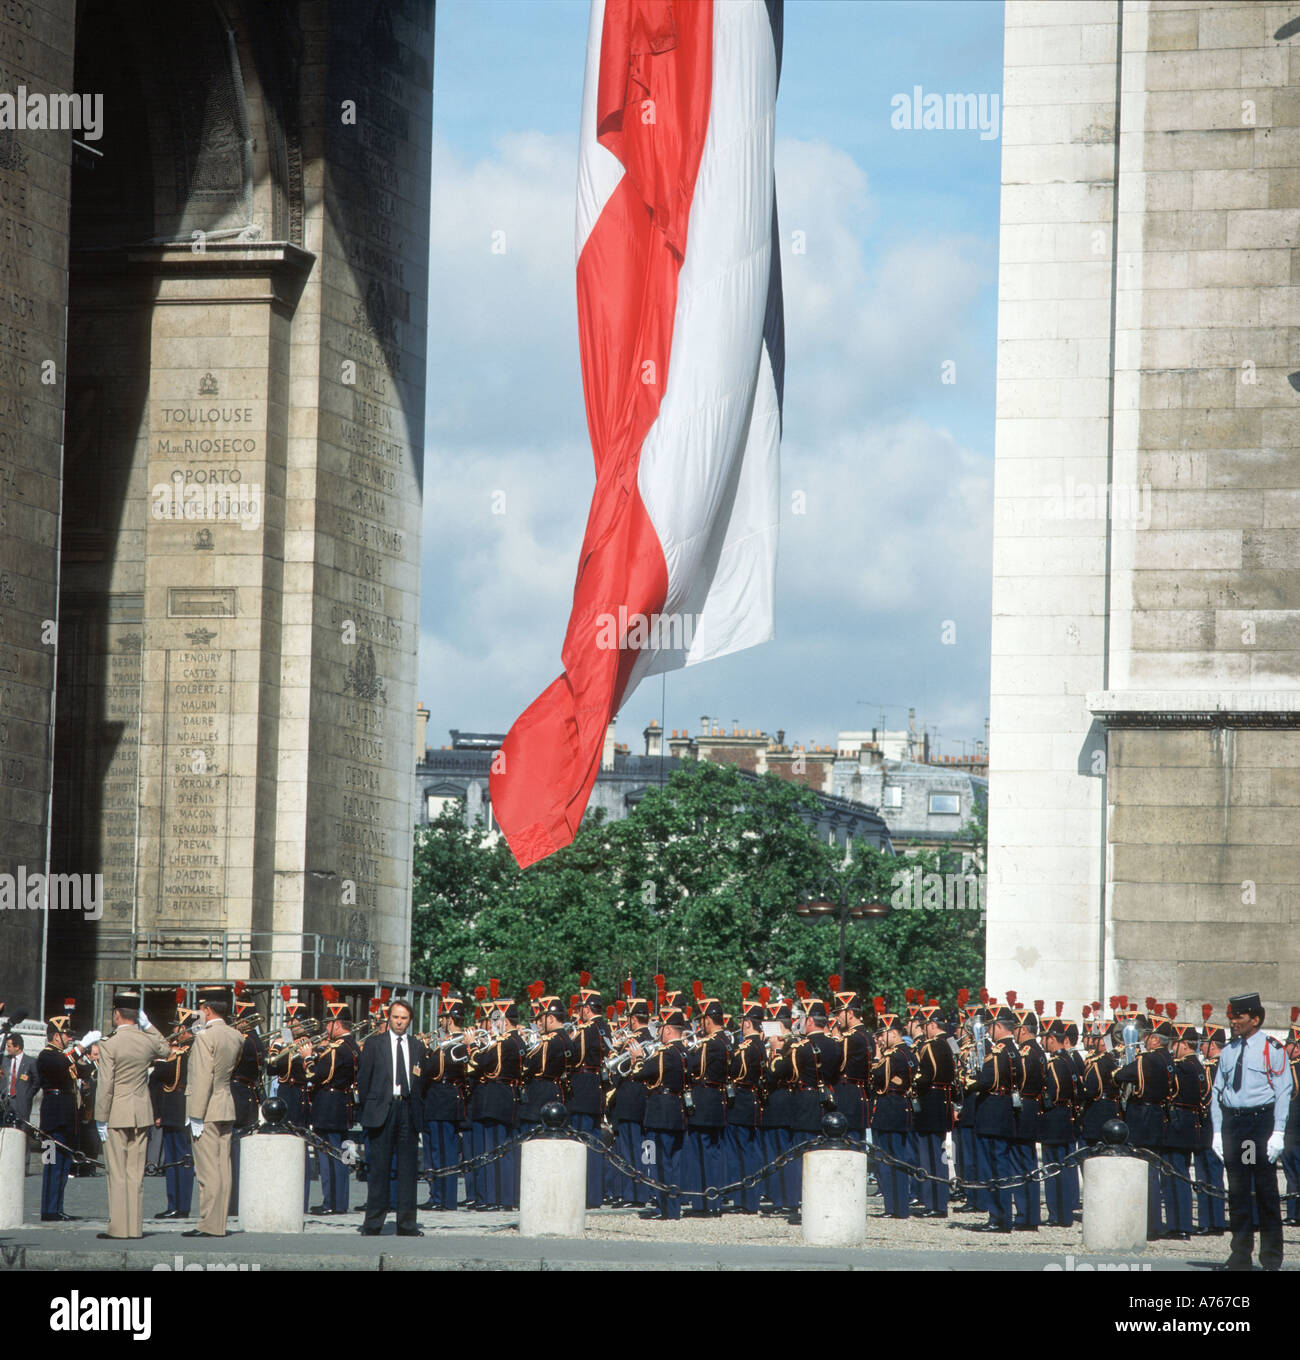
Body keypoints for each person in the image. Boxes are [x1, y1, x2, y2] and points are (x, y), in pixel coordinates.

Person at [1209, 991, 1291, 1272]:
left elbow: (1283, 1092)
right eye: (1232, 1016)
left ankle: (1270, 1258)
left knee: (1266, 1190)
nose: (1233, 1021)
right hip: (1236, 1125)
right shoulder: (1229, 1051)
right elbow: (1217, 1093)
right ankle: (1240, 1255)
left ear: (1255, 1019)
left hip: (1260, 1124)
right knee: (1239, 1190)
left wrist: (1278, 1131)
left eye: (1239, 1016)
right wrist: (1218, 1132)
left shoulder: (1272, 1048)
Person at [95, 990, 170, 1239]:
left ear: (117, 1014)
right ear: (136, 1014)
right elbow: (166, 1049)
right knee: (135, 1174)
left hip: (117, 1111)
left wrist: (100, 1117)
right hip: (141, 1111)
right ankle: (135, 1228)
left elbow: (106, 1085)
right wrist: (148, 1026)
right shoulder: (146, 1040)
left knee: (116, 1172)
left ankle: (119, 1228)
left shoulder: (110, 1043)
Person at [356, 996, 426, 1236]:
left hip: (407, 1109)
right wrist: (369, 1108)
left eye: (404, 1018)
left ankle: (407, 1224)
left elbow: (421, 1082)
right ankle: (373, 1223)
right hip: (382, 1110)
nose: (399, 1022)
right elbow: (363, 1080)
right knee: (379, 1168)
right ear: (389, 1018)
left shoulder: (417, 1046)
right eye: (395, 1017)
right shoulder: (375, 1044)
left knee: (408, 1169)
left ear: (410, 1021)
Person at [184, 985, 243, 1237]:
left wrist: (195, 1114)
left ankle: (208, 1223)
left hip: (207, 1106)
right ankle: (219, 1223)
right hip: (225, 1103)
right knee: (223, 1167)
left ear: (207, 1010)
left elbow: (201, 1078)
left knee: (207, 1169)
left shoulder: (205, 1037)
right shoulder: (235, 1035)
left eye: (201, 1008)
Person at [1113, 1003, 1169, 1241]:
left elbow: (1122, 1075)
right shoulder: (1167, 1059)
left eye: (1147, 1036)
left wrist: (1121, 1066)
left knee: (1144, 1175)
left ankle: (1148, 1224)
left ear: (1156, 1040)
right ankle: (1153, 1222)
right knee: (1152, 1173)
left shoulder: (1147, 1059)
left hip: (1143, 1118)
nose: (1144, 1040)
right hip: (1157, 1116)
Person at [465, 995, 525, 1210]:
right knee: (503, 1151)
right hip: (506, 1098)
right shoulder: (516, 1041)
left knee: (494, 1151)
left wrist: (472, 1046)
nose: (491, 1026)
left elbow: (481, 1064)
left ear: (505, 1021)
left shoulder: (504, 1043)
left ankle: (494, 1198)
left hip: (496, 1099)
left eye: (495, 1021)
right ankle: (502, 1198)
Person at [629, 1005, 688, 1221]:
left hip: (661, 1111)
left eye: (660, 1028)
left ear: (668, 1030)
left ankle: (666, 1209)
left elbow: (640, 1073)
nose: (658, 1032)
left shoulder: (665, 1053)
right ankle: (673, 1208)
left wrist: (637, 1057)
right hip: (677, 1110)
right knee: (674, 1162)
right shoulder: (684, 1051)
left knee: (660, 1163)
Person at [970, 1003, 1021, 1234]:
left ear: (998, 1026)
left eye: (991, 1027)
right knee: (1000, 1166)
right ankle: (1002, 1217)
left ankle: (998, 1217)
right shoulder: (1014, 1049)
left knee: (994, 1168)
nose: (989, 1031)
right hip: (1002, 1110)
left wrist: (968, 1081)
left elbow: (986, 1081)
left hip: (992, 1112)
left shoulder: (1000, 1050)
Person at [37, 1012, 90, 1222]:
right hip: (53, 1118)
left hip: (67, 1117)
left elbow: (84, 1070)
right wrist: (81, 1048)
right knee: (51, 1164)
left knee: (64, 1164)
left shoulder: (65, 1056)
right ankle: (48, 1210)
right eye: (66, 1035)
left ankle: (56, 1208)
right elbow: (60, 1065)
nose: (69, 1038)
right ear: (55, 1036)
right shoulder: (47, 1055)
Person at [308, 1001, 359, 1216]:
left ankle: (331, 1203)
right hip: (344, 1104)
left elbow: (318, 1075)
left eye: (328, 1024)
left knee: (329, 1154)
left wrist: (308, 1057)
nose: (325, 1029)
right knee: (344, 1152)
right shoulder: (352, 1046)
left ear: (337, 1024)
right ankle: (341, 1202)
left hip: (329, 1105)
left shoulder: (338, 1048)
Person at [682, 992, 729, 1217]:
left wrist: (684, 1050)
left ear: (708, 1019)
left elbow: (695, 1069)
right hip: (717, 1101)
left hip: (704, 1100)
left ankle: (703, 1203)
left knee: (701, 1154)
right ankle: (713, 1202)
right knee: (713, 1153)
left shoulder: (710, 1043)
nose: (700, 1025)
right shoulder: (726, 1040)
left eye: (701, 1020)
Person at [421, 989, 468, 1211]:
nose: (440, 1022)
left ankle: (446, 1198)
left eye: (442, 1018)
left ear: (449, 1019)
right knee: (434, 1151)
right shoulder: (445, 1043)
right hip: (435, 1100)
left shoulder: (457, 1044)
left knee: (445, 1151)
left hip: (446, 1099)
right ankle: (436, 1195)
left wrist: (427, 1050)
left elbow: (432, 1070)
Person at [868, 1005, 915, 1219]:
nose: (879, 1039)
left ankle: (893, 1207)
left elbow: (876, 1077)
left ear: (893, 1034)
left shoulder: (895, 1055)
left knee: (888, 1159)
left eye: (882, 1035)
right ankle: (898, 1206)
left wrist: (877, 1056)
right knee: (895, 1158)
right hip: (897, 1108)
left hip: (890, 1109)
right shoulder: (906, 1053)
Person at [149, 1008, 196, 1220]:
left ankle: (179, 1205)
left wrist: (162, 1058)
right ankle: (176, 1204)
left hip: (179, 1109)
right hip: (171, 1109)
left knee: (179, 1159)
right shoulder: (177, 1050)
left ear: (183, 1029)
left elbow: (161, 1077)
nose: (173, 1030)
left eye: (176, 1027)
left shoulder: (185, 1051)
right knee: (174, 1159)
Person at [567, 978, 609, 1209]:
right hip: (595, 1087)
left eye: (580, 1008)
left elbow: (570, 1056)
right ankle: (594, 1195)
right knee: (593, 1143)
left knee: (582, 1142)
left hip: (582, 1087)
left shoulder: (586, 1030)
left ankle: (584, 1195)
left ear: (586, 1008)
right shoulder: (604, 1027)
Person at [913, 1001, 956, 1218]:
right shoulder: (951, 1044)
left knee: (928, 1156)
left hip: (929, 1103)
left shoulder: (930, 1046)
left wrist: (914, 1085)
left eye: (924, 1025)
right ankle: (941, 1202)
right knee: (939, 1157)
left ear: (931, 1025)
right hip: (944, 1102)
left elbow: (925, 1077)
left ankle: (933, 1204)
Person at [725, 990, 766, 1214]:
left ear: (748, 1023)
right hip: (753, 1102)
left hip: (740, 1103)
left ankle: (744, 1200)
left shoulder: (746, 1048)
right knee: (750, 1152)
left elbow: (733, 1072)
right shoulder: (762, 1046)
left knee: (740, 1154)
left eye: (742, 1021)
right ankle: (750, 1200)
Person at [229, 995, 263, 1213]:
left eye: (238, 1019)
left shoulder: (244, 1040)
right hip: (246, 1094)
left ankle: (235, 1202)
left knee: (236, 1154)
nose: (235, 1023)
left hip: (239, 1095)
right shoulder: (252, 1039)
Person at [1195, 1014, 1227, 1236]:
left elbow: (1207, 1097)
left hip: (1210, 1125)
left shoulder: (1211, 1068)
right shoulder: (1220, 1066)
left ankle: (1212, 1221)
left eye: (1203, 1043)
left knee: (1209, 1174)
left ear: (1212, 1045)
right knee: (1207, 1174)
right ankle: (1213, 1220)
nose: (1201, 1047)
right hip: (1214, 1125)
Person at [1283, 1008, 1300, 1226]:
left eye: (1289, 1044)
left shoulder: (1293, 1068)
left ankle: (1295, 1213)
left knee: (1295, 1173)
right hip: (1290, 1131)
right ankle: (1293, 1212)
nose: (1286, 1048)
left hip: (1295, 1130)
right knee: (1291, 1174)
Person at [2, 1032, 37, 1123]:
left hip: (21, 1103)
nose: (7, 1049)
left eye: (9, 1046)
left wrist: (27, 1095)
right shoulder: (4, 1060)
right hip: (5, 1103)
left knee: (21, 1129)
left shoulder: (30, 1062)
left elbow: (37, 1082)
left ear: (17, 1047)